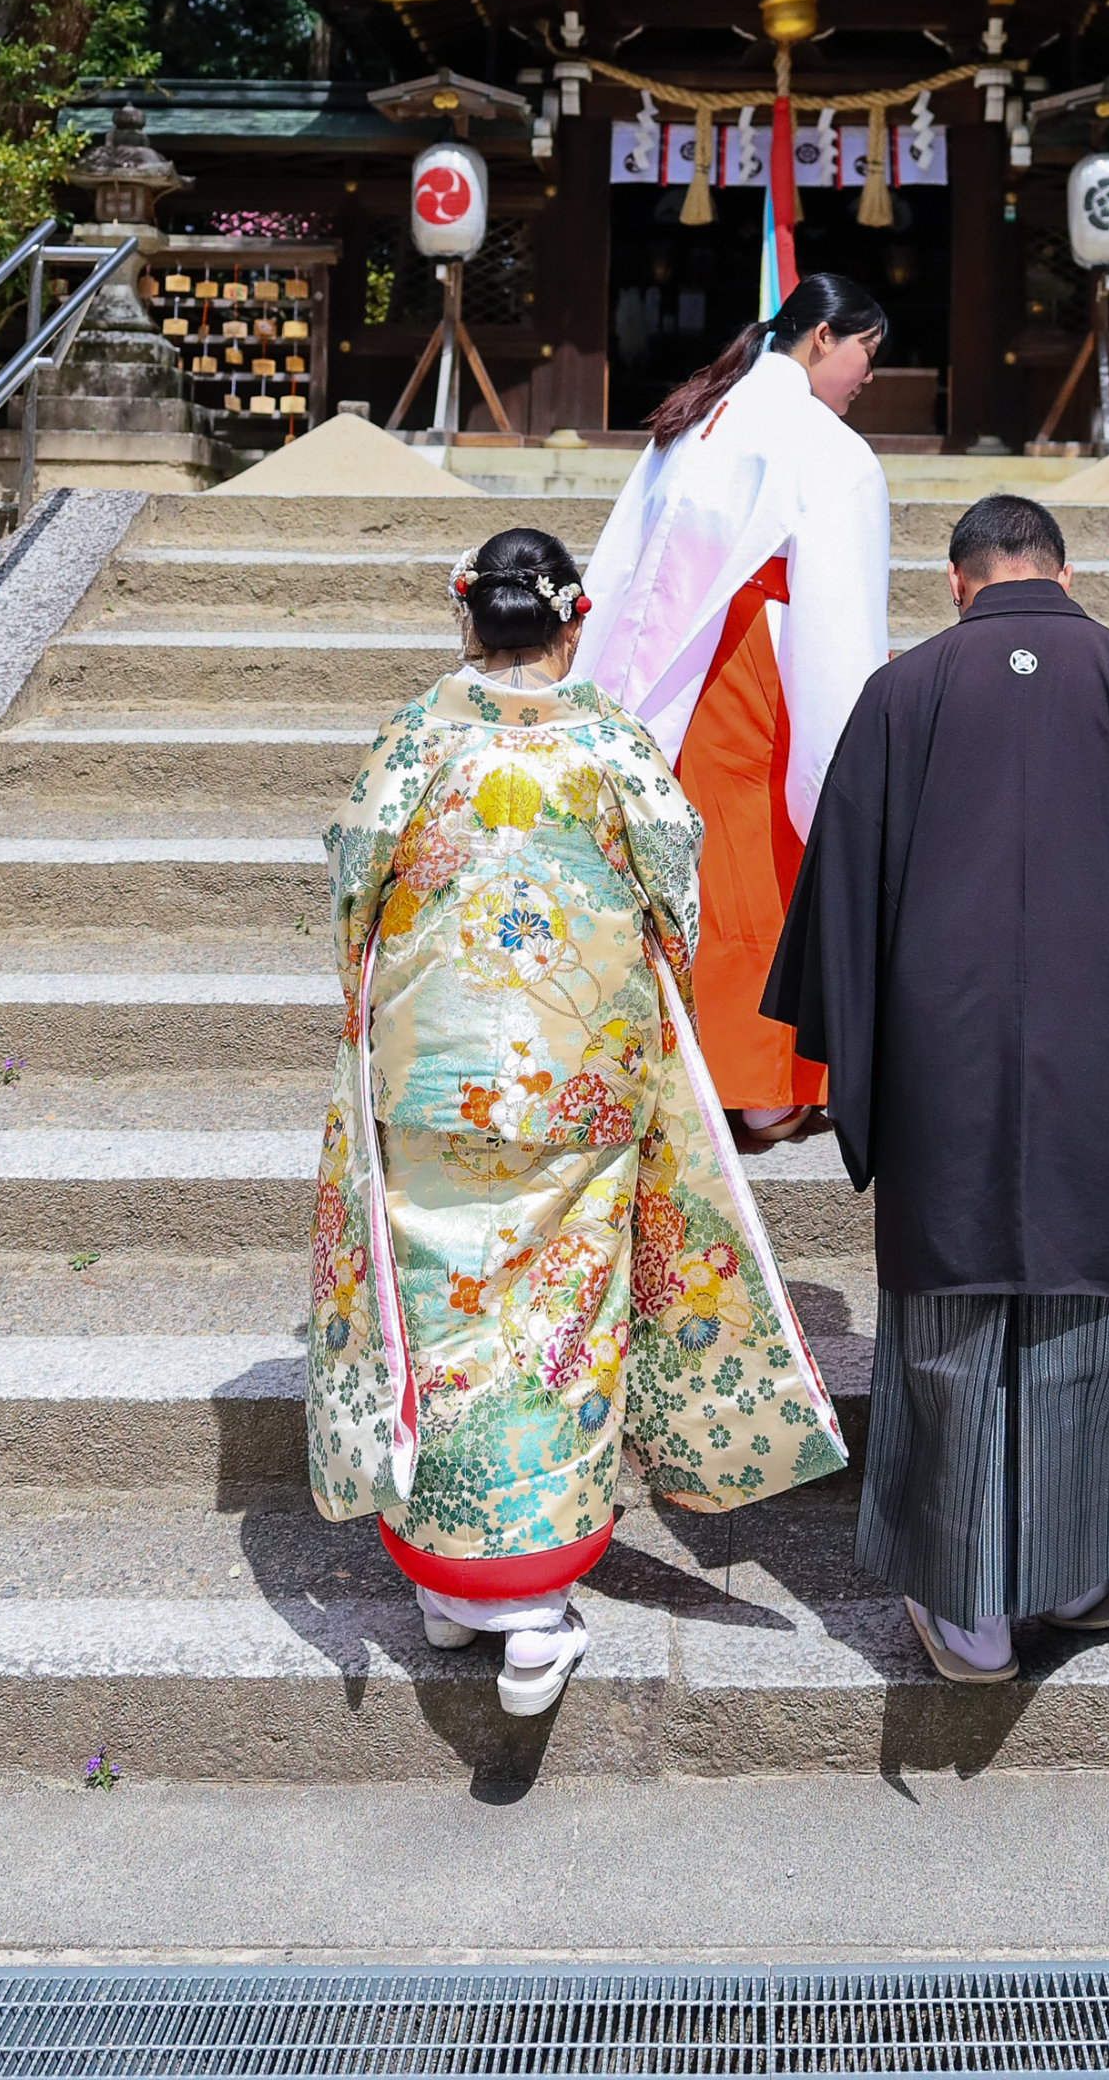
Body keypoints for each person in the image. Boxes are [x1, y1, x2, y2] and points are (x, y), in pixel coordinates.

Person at [762, 487, 1109, 1683]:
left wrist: (842, 1052)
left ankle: (964, 1614)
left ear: (956, 581)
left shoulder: (902, 694)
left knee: (953, 1306)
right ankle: (1078, 1573)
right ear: (1064, 571)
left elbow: (841, 889)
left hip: (940, 1058)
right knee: (1093, 1299)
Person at [307, 523, 844, 1720]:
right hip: (581, 1074)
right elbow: (677, 887)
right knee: (557, 1326)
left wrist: (396, 1000)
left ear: (466, 618)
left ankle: (455, 1581)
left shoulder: (411, 739)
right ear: (574, 619)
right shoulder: (612, 744)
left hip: (432, 1078)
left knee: (448, 1322)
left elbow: (352, 886)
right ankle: (529, 1607)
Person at [579, 269, 891, 1147]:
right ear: (823, 338)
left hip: (676, 666)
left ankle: (667, 1059)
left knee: (696, 870)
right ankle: (758, 1081)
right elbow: (840, 600)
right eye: (865, 353)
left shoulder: (699, 414)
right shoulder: (822, 444)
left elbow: (623, 559)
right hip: (762, 660)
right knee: (754, 864)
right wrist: (850, 740)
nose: (866, 377)